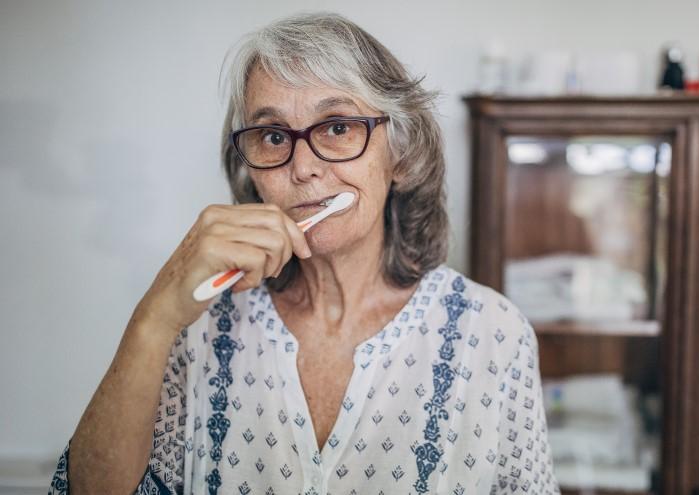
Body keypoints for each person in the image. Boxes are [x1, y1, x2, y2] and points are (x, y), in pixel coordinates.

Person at [49, 12, 558, 494]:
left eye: (337, 127)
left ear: (400, 153)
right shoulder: (197, 328)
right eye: (273, 136)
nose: (303, 167)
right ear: (250, 169)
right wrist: (155, 317)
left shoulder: (494, 335)